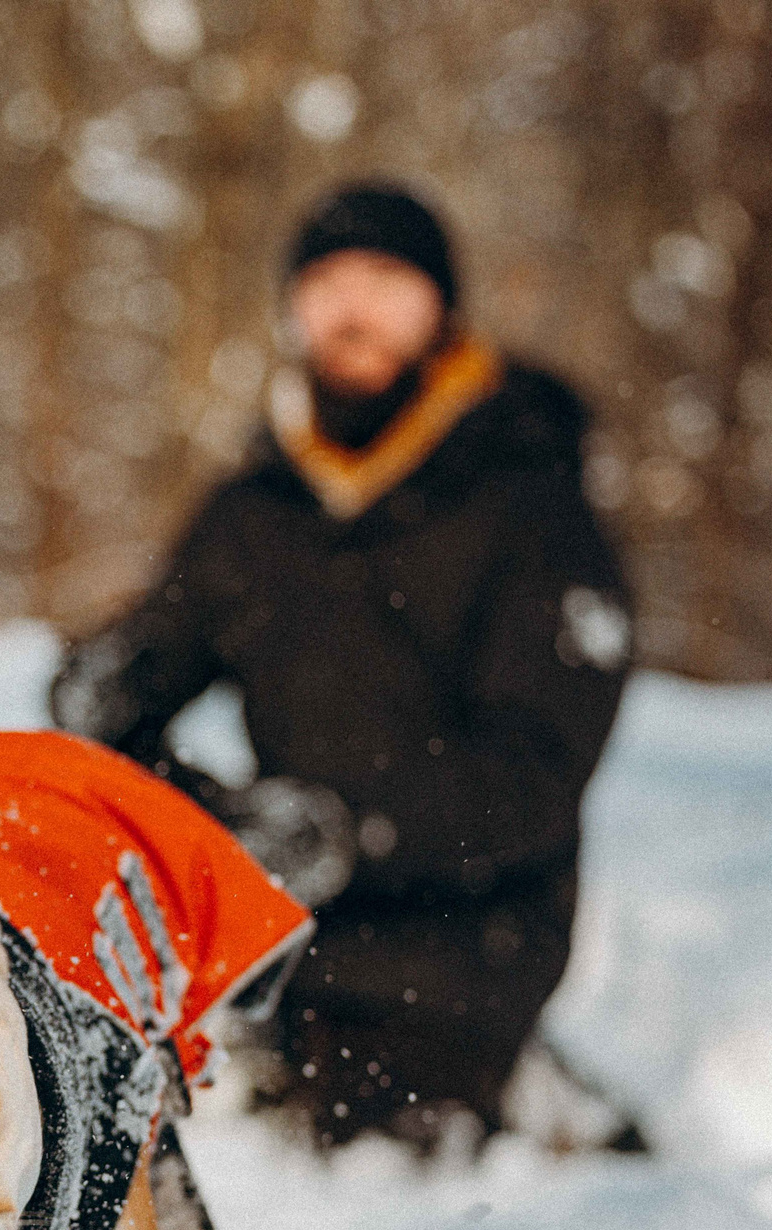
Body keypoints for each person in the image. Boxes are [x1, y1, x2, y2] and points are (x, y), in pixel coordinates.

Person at [53, 183, 635, 1154]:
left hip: (460, 953)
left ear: (440, 310)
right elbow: (145, 663)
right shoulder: (257, 510)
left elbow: (533, 775)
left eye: (386, 282)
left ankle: (533, 1103)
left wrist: (335, 827)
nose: (353, 310)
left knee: (360, 1152)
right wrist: (114, 711)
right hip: (269, 939)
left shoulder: (532, 507)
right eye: (326, 285)